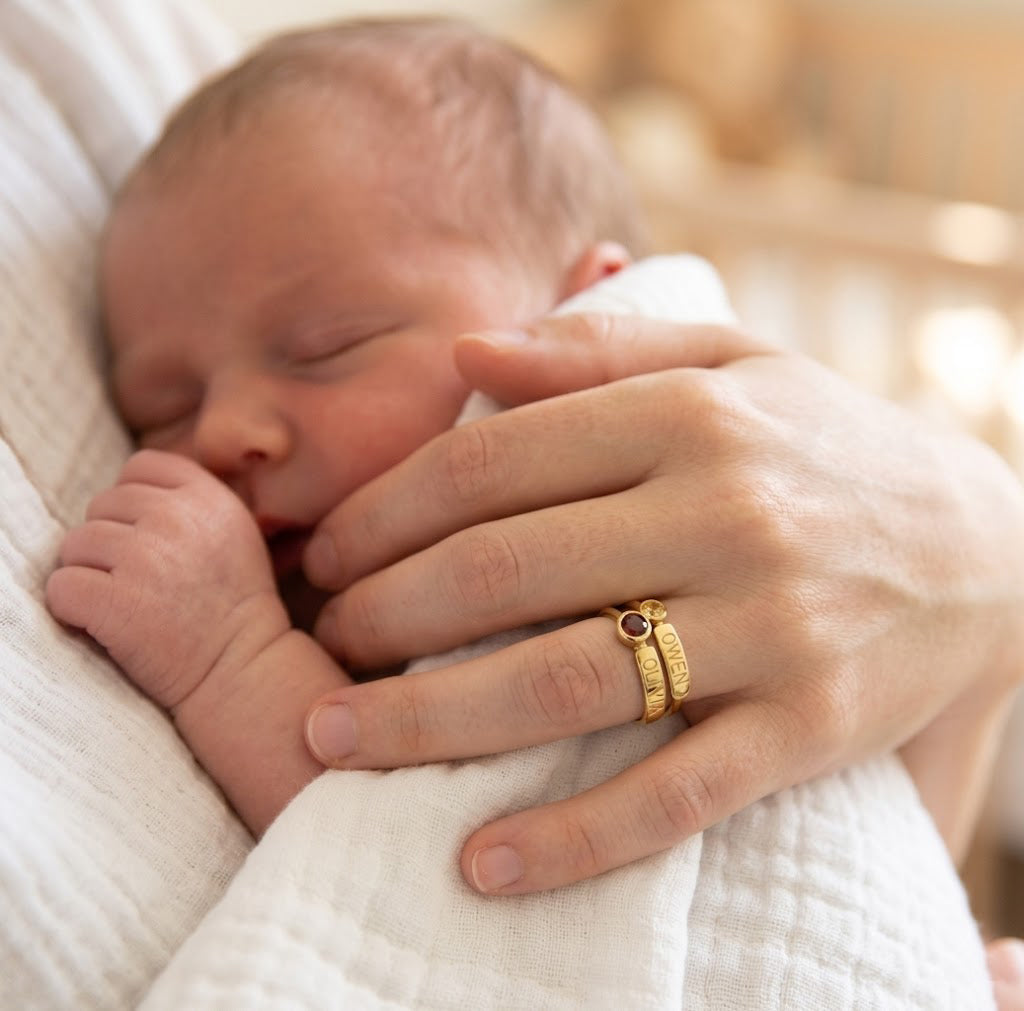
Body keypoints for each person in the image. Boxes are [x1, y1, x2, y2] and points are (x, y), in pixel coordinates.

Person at [45, 14, 1024, 910]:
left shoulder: (625, 504)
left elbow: (431, 867)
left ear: (588, 314)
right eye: (159, 407)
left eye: (325, 345)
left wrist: (231, 663)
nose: (220, 434)